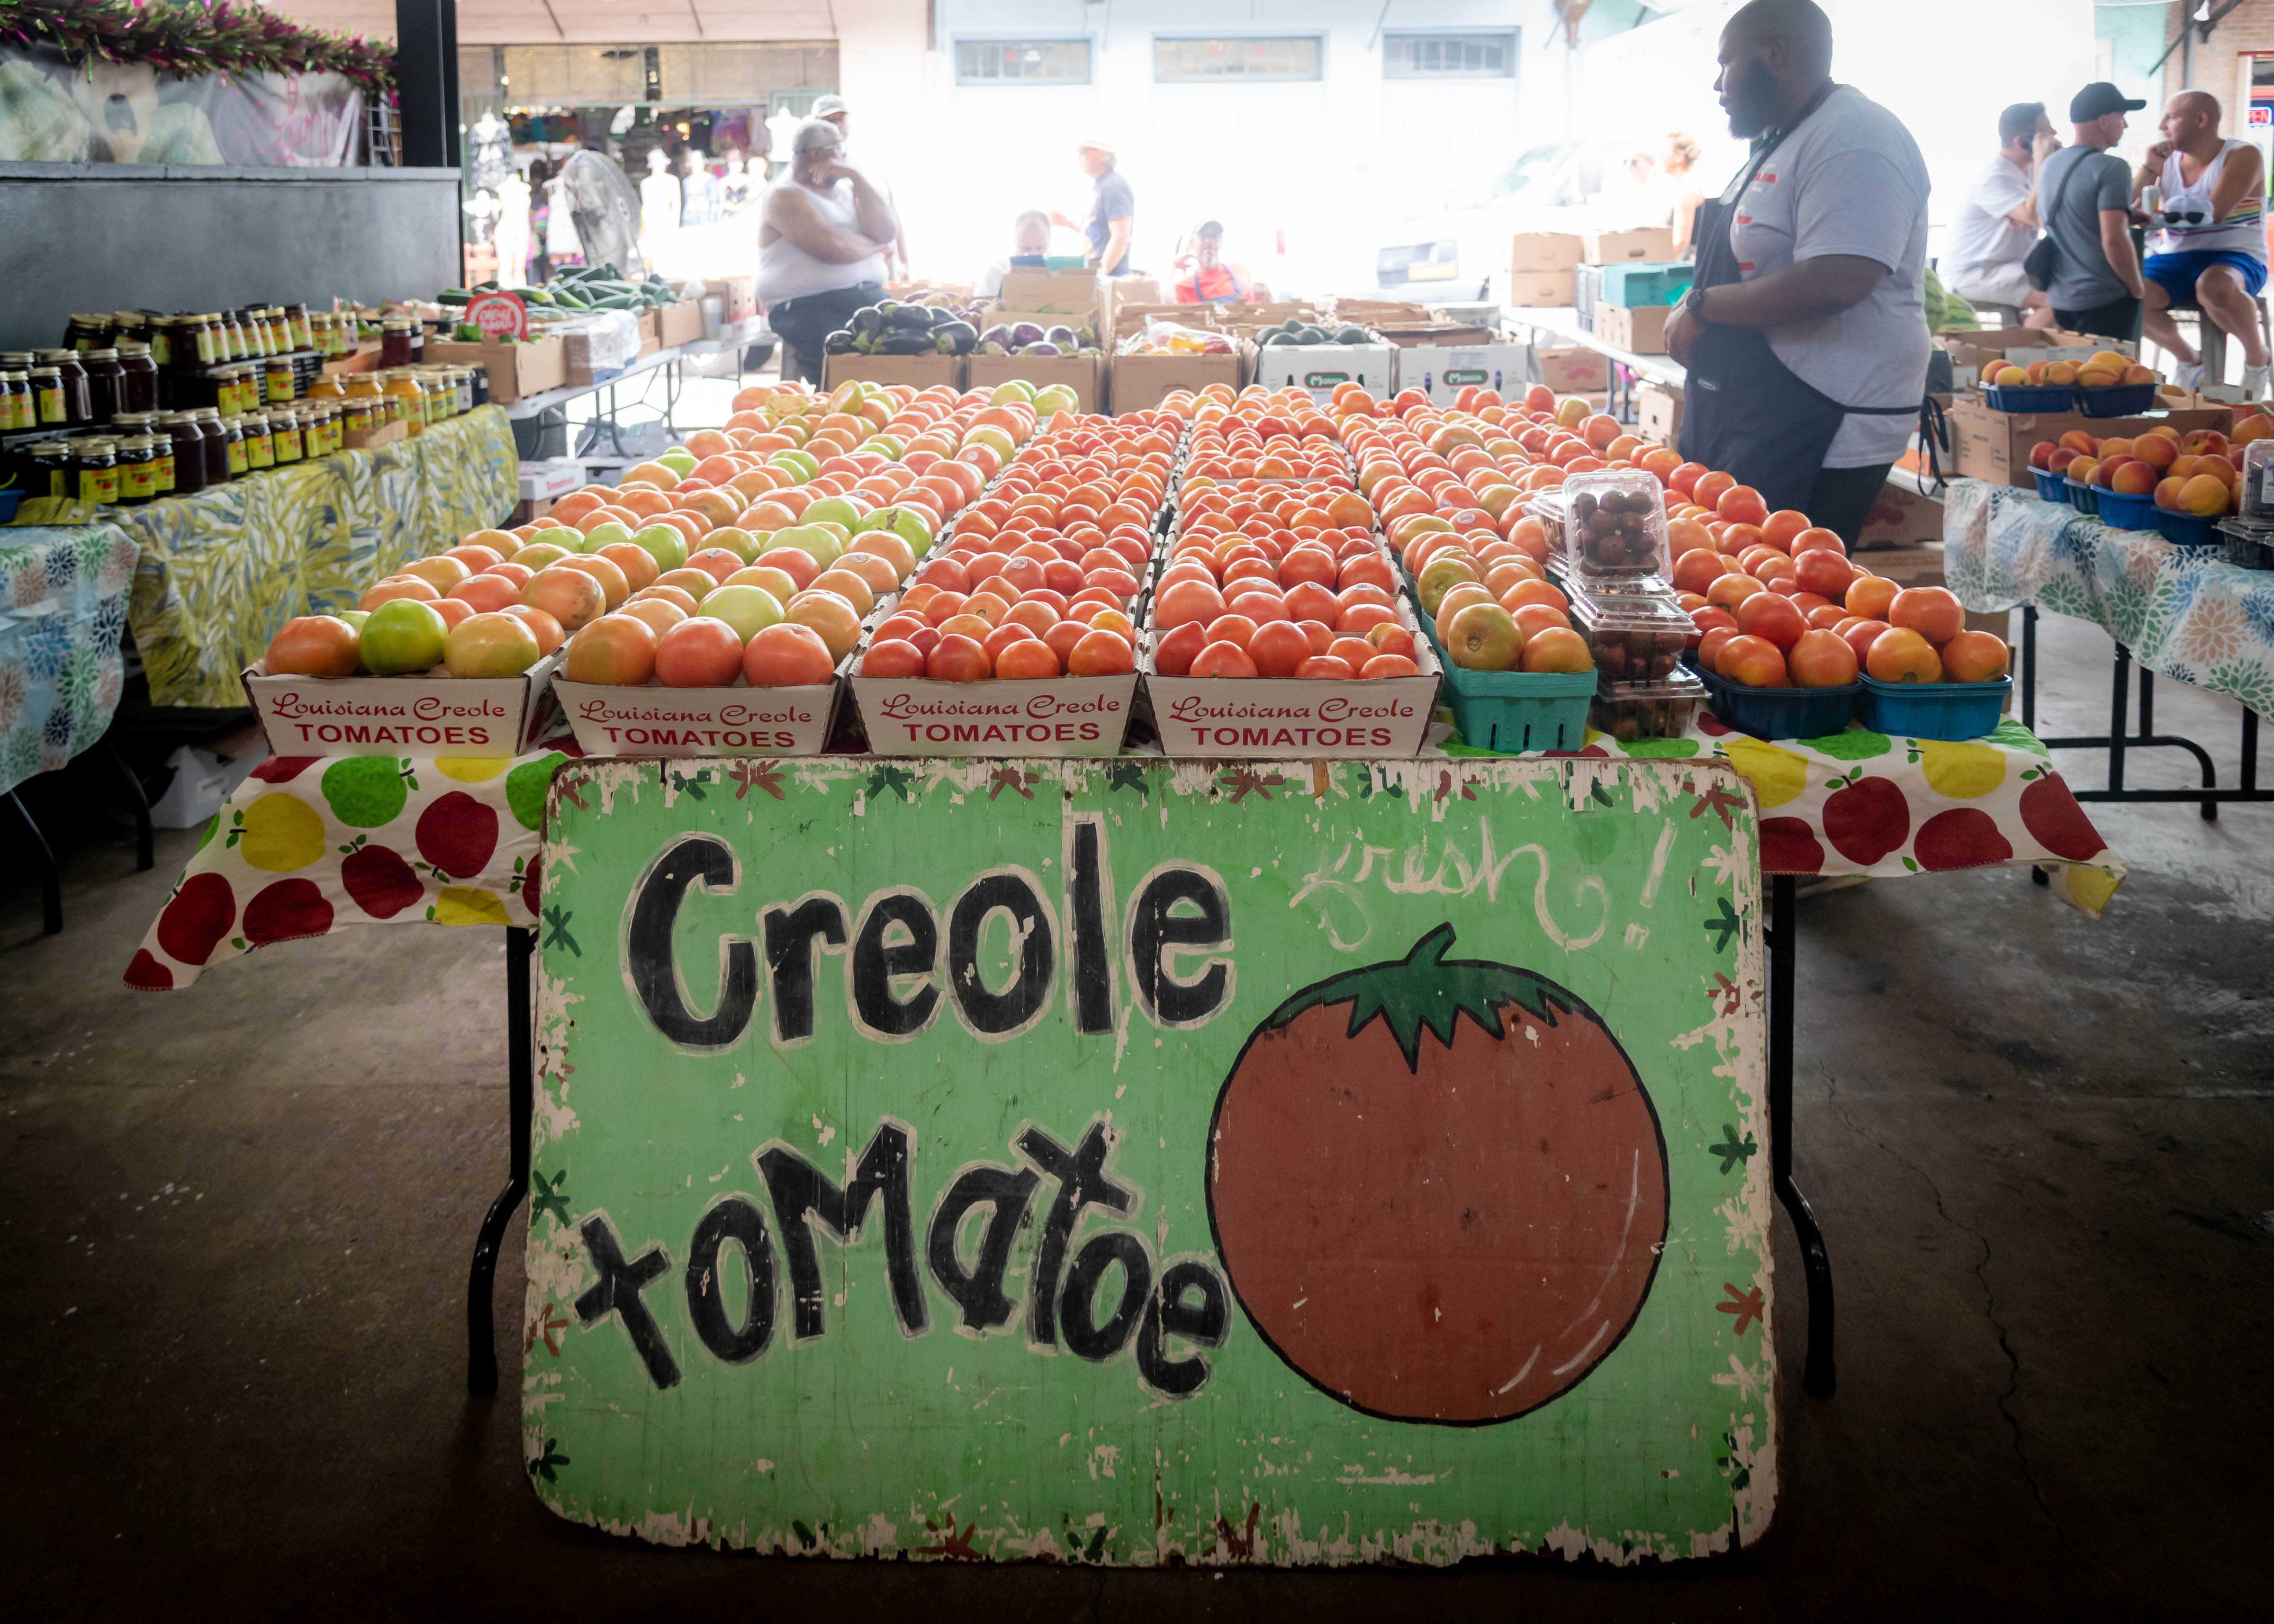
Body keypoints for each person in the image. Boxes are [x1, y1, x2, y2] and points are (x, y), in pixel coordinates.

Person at [1662, 0, 1931, 547]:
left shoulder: (1857, 136)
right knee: (1728, 577)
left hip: (1824, 419)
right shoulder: (1784, 136)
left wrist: (1702, 306)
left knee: (1787, 595)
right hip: (1763, 408)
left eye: (1726, 64)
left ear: (1776, 53)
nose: (1718, 84)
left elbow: (1840, 276)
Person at [2135, 90, 2270, 396]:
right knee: (2128, 290)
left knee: (2214, 288)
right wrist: (2150, 168)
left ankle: (2257, 359)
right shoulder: (2166, 160)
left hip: (2237, 254)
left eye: (2170, 117)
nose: (2161, 125)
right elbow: (2130, 207)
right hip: (2178, 257)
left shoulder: (2244, 154)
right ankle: (2190, 360)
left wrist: (2152, 217)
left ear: (2201, 120)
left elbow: (2212, 213)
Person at [758, 117, 895, 384]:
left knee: (915, 347)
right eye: (840, 149)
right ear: (816, 154)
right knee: (843, 362)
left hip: (868, 298)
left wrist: (856, 176)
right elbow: (833, 249)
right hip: (808, 306)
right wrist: (876, 246)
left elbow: (887, 230)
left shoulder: (847, 189)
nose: (846, 157)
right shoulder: (784, 196)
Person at [2031, 83, 2148, 343]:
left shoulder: (2050, 164)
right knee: (2110, 378)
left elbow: (2053, 219)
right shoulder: (2112, 168)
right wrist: (2138, 288)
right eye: (2121, 117)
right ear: (2104, 121)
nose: (2125, 125)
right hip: (2104, 298)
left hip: (2061, 300)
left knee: (2077, 375)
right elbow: (2114, 240)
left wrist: (2123, 215)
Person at [1944, 103, 2061, 327]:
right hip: (1976, 272)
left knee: (2076, 289)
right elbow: (2036, 216)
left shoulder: (2027, 171)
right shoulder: (1994, 178)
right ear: (2021, 141)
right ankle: (2016, 358)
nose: (2054, 134)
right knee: (2060, 302)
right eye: (2046, 132)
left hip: (2011, 267)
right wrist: (2043, 165)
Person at [812, 93, 907, 279]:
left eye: (841, 119)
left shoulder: (868, 166)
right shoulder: (812, 174)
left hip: (883, 270)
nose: (837, 125)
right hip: (844, 276)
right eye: (829, 121)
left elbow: (892, 213)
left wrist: (904, 262)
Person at [1052, 141, 1134, 276]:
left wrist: (1100, 276)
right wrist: (1067, 224)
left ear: (1103, 154)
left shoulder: (1113, 186)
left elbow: (1121, 237)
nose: (1079, 157)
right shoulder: (1101, 186)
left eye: (1083, 152)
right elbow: (1096, 232)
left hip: (1111, 277)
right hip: (1098, 271)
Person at [1171, 221, 1271, 304]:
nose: (1209, 241)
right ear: (1192, 243)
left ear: (1221, 243)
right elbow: (1165, 308)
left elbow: (1260, 303)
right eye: (1204, 236)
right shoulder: (1184, 286)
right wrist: (1172, 266)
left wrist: (1265, 293)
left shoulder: (1239, 270)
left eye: (1215, 237)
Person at [977, 210, 1054, 299]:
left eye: (1040, 248)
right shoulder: (996, 272)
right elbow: (982, 308)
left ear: (1050, 238)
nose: (1033, 255)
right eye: (1025, 249)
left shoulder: (1061, 272)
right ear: (1015, 240)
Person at [1663, 133, 1707, 259]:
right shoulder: (1688, 187)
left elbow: (1680, 243)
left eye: (1664, 152)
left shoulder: (1686, 191)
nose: (1660, 157)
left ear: (1679, 156)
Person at [679, 146, 718, 228]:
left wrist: (712, 221)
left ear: (703, 162)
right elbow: (687, 203)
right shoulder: (686, 181)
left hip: (705, 219)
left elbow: (714, 202)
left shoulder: (711, 179)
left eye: (699, 161)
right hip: (689, 220)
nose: (697, 164)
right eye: (694, 161)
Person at [720, 150, 755, 216]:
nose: (739, 164)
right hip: (728, 216)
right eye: (735, 162)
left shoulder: (749, 180)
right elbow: (721, 204)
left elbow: (751, 199)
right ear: (729, 164)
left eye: (741, 162)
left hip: (745, 214)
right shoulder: (723, 182)